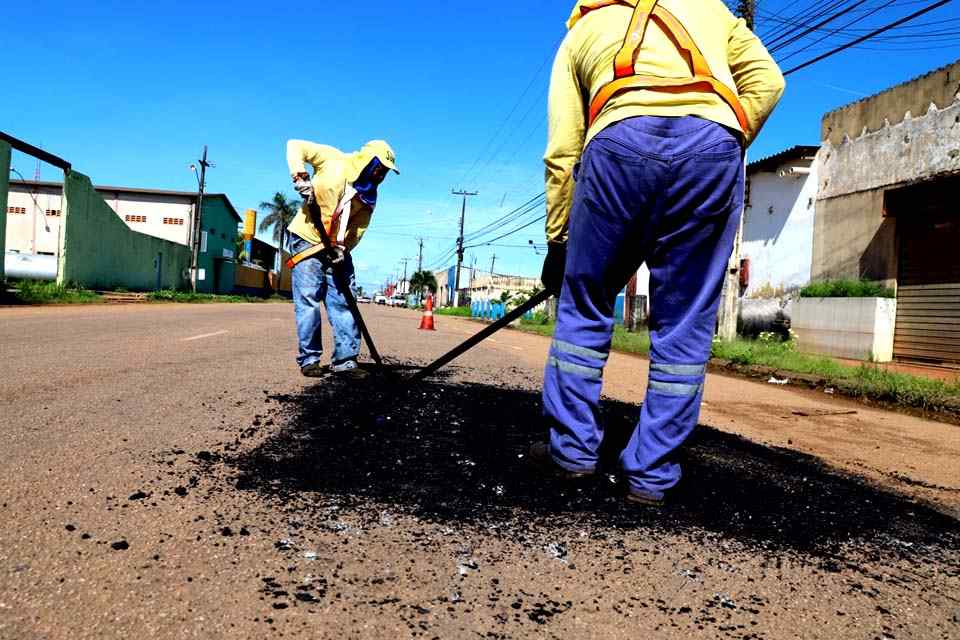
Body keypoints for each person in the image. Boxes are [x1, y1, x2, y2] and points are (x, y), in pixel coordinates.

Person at [531, 0, 785, 504]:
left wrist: (558, 241)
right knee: (686, 321)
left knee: (585, 303)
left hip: (617, 145)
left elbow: (563, 152)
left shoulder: (582, 31)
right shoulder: (711, 10)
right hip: (712, 149)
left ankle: (574, 452)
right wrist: (722, 139)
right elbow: (769, 83)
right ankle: (651, 475)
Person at [285, 139, 398, 376]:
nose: (382, 175)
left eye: (386, 172)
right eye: (381, 167)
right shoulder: (333, 159)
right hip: (307, 239)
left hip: (336, 248)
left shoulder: (368, 195)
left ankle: (345, 360)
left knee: (344, 300)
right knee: (309, 300)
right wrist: (300, 176)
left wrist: (343, 248)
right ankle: (310, 359)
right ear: (369, 160)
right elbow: (294, 145)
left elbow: (358, 228)